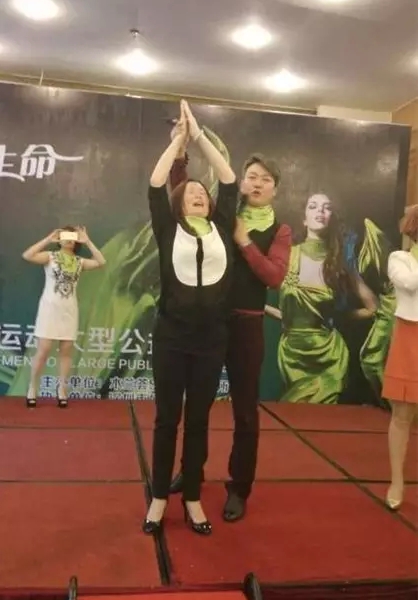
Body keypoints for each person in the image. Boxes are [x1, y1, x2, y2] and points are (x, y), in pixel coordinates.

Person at [169, 143, 292, 522]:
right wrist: (179, 155)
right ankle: (191, 471)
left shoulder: (281, 230)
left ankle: (239, 487)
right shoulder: (221, 214)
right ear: (240, 182)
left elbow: (274, 276)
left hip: (248, 326)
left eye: (265, 179)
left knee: (245, 412)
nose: (257, 184)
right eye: (251, 176)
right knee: (198, 404)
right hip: (210, 322)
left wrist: (244, 241)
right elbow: (183, 197)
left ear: (275, 189)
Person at [142, 100, 238, 536]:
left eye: (203, 192)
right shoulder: (168, 227)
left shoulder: (222, 227)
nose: (199, 192)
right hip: (171, 337)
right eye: (191, 191)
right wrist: (179, 141)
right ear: (179, 204)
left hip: (211, 340)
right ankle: (160, 496)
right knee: (167, 419)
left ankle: (194, 497)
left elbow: (228, 179)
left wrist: (198, 136)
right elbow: (155, 183)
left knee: (199, 421)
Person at [265, 192, 376, 404]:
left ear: (331, 218)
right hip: (292, 356)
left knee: (323, 420)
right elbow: (288, 314)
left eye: (327, 207)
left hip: (330, 358)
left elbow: (372, 308)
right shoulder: (286, 255)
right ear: (304, 219)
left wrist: (338, 317)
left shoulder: (340, 262)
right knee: (291, 417)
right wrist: (267, 310)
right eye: (313, 206)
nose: (321, 211)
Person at [22, 226, 106, 407]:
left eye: (72, 236)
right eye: (64, 236)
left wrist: (88, 241)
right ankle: (32, 388)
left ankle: (62, 390)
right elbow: (28, 255)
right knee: (43, 350)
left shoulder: (79, 262)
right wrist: (48, 239)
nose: (68, 239)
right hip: (49, 309)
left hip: (69, 310)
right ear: (59, 240)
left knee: (66, 351)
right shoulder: (50, 257)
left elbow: (101, 262)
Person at [382, 204, 418, 510]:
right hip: (409, 337)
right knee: (402, 415)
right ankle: (397, 480)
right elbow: (410, 283)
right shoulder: (400, 259)